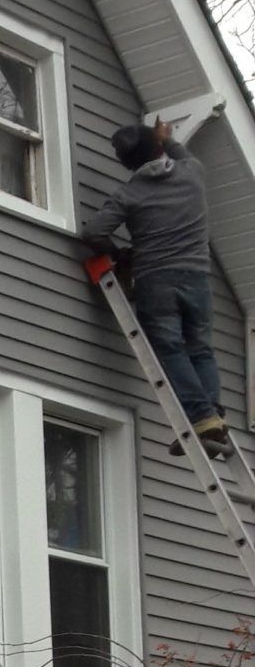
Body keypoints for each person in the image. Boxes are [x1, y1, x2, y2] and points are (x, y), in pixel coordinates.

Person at [84, 119, 227, 452]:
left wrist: (117, 252)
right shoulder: (192, 173)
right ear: (158, 147)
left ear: (126, 162)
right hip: (197, 278)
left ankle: (203, 416)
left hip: (157, 280)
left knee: (170, 349)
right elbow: (178, 152)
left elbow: (92, 232)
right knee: (200, 348)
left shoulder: (129, 193)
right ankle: (212, 415)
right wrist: (165, 138)